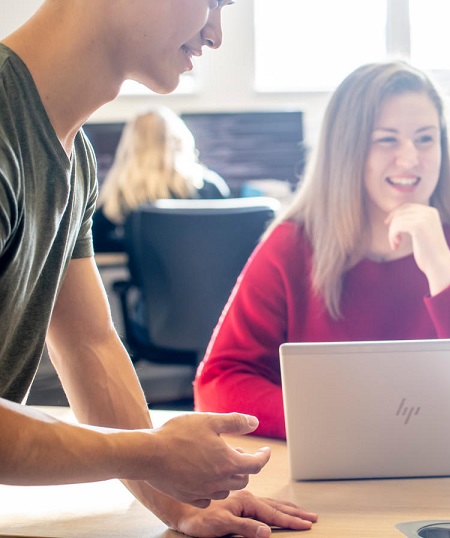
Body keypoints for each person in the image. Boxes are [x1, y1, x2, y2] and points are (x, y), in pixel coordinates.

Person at [0, 2, 316, 537]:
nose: (216, 34)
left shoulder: (72, 157)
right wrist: (149, 451)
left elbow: (89, 343)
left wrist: (180, 503)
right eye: (212, 1)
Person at [194, 60, 450, 439]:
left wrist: (443, 269)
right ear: (347, 150)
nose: (410, 159)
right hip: (329, 467)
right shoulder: (292, 245)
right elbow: (217, 384)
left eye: (426, 138)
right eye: (386, 139)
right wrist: (338, 424)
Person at [93, 106, 231, 253]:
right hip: (208, 274)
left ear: (130, 146)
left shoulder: (122, 194)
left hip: (145, 276)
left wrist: (132, 243)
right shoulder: (209, 186)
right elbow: (231, 234)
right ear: (180, 140)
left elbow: (95, 241)